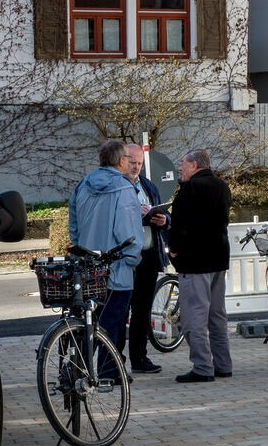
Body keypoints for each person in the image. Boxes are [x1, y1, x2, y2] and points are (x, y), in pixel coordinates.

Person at [69, 140, 143, 378]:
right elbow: (129, 233)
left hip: (87, 268)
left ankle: (78, 371)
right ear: (121, 161)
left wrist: (84, 250)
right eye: (128, 159)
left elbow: (74, 226)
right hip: (116, 268)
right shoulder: (124, 189)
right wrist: (132, 260)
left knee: (86, 323)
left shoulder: (83, 184)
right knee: (112, 324)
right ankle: (108, 372)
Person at [168, 149, 233, 383]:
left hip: (194, 260)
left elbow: (179, 224)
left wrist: (173, 249)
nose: (180, 168)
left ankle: (203, 366)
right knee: (217, 313)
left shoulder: (189, 189)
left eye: (183, 164)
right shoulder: (222, 186)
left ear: (194, 165)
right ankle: (223, 364)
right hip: (218, 256)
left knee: (194, 314)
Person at [123, 143, 170, 375]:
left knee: (142, 311)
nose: (136, 167)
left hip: (149, 255)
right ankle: (114, 361)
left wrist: (164, 220)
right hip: (125, 258)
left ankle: (139, 358)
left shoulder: (147, 185)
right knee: (120, 310)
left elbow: (164, 212)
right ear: (122, 161)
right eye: (132, 162)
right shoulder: (117, 186)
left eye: (139, 163)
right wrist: (136, 214)